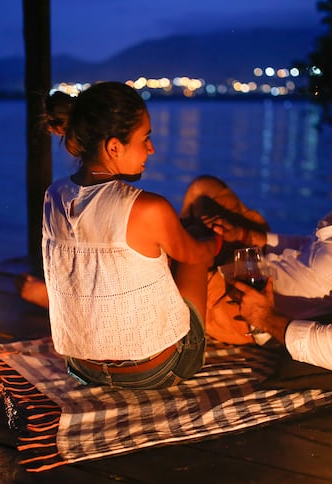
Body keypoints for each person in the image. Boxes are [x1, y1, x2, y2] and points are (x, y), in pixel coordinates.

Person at [184, 124, 332, 375]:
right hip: (255, 261)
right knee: (204, 189)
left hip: (241, 301)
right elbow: (310, 247)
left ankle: (193, 256)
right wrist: (247, 235)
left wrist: (265, 317)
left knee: (178, 252)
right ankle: (200, 245)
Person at [34, 82, 230, 389]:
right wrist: (215, 237)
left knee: (156, 251)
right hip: (156, 369)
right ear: (114, 147)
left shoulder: (53, 195)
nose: (151, 149)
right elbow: (197, 255)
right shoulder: (146, 207)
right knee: (193, 240)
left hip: (81, 366)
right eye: (145, 138)